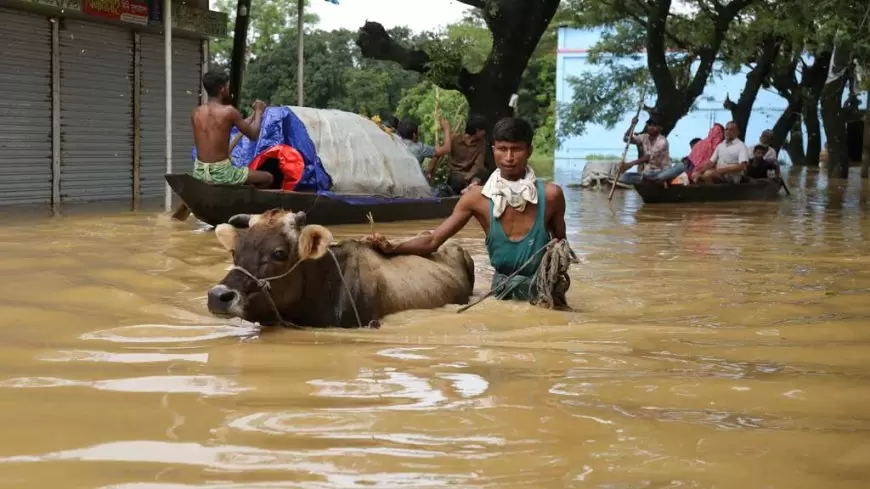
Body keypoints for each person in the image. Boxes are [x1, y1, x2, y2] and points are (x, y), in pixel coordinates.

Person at [367, 117, 567, 301]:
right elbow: (433, 241)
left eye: (516, 149)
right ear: (493, 149)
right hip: (501, 296)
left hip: (542, 296)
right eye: (502, 148)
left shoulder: (551, 196)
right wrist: (393, 247)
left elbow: (561, 249)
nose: (509, 157)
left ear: (529, 151)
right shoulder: (476, 198)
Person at [191, 71, 273, 188]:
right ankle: (245, 205)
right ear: (222, 89)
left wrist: (254, 115)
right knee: (268, 177)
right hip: (222, 174)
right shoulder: (229, 111)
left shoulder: (196, 113)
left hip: (199, 172)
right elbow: (254, 135)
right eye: (227, 86)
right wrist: (259, 111)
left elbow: (232, 126)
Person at [617, 117, 673, 184]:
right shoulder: (644, 137)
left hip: (661, 172)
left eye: (654, 125)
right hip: (648, 172)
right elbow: (626, 139)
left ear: (660, 128)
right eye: (649, 125)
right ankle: (646, 180)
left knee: (648, 175)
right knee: (624, 177)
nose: (651, 127)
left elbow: (648, 157)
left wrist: (630, 164)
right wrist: (632, 125)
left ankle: (651, 181)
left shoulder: (662, 141)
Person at [442, 115, 489, 195]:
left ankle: (471, 185)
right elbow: (443, 150)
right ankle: (470, 186)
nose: (484, 133)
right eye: (483, 130)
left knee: (483, 172)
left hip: (472, 174)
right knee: (458, 180)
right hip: (456, 174)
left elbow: (478, 165)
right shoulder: (454, 139)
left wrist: (468, 177)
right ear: (477, 130)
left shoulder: (481, 143)